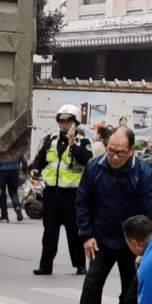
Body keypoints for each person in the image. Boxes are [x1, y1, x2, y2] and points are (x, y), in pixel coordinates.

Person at [74, 126, 152, 304]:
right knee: (92, 284)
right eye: (110, 150)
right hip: (101, 239)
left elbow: (147, 215)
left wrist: (143, 247)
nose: (114, 156)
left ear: (131, 150)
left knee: (131, 291)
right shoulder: (94, 167)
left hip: (131, 243)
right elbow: (82, 203)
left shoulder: (143, 173)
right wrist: (87, 236)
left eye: (120, 152)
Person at [30, 104, 92, 275]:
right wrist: (35, 168)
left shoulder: (83, 142)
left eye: (68, 121)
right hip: (51, 192)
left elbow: (87, 161)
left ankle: (80, 265)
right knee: (49, 230)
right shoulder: (51, 140)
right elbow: (41, 158)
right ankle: (45, 266)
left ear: (75, 122)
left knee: (74, 231)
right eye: (62, 121)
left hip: (72, 194)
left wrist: (73, 145)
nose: (64, 125)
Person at [0, 157, 25, 223]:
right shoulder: (17, 146)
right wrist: (26, 171)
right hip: (15, 170)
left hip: (1, 170)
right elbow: (23, 158)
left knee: (2, 193)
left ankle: (4, 216)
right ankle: (17, 207)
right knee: (13, 192)